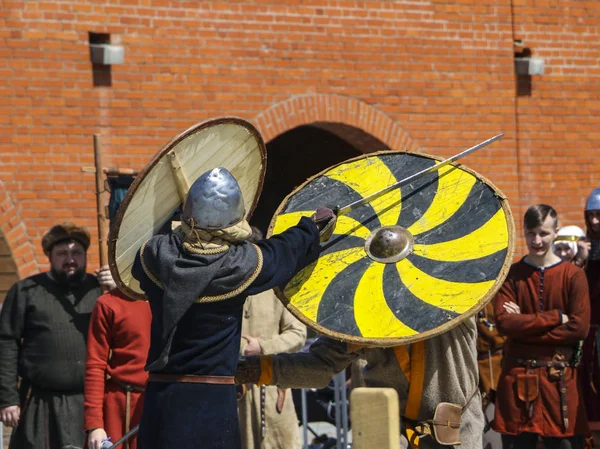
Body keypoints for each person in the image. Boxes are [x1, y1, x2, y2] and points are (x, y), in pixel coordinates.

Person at [129, 167, 336, 449]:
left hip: (161, 398)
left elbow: (151, 252)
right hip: (213, 404)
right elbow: (283, 251)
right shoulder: (238, 266)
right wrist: (311, 226)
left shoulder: (153, 257)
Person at [237, 320, 484, 448]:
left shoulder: (455, 299)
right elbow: (320, 364)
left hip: (456, 433)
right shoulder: (363, 312)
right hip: (389, 436)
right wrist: (254, 369)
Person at [0, 222, 116, 449]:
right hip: (39, 403)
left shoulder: (99, 291)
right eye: (62, 253)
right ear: (50, 256)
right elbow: (6, 343)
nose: (70, 259)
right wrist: (8, 398)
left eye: (77, 253)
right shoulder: (26, 291)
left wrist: (118, 290)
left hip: (89, 405)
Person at [493, 204, 590, 449]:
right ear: (523, 231)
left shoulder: (573, 275)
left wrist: (523, 326)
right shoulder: (511, 274)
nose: (536, 240)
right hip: (517, 381)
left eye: (544, 233)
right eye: (531, 233)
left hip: (558, 382)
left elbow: (579, 329)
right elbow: (504, 323)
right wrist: (556, 317)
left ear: (555, 232)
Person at [237, 227, 306, 449]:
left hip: (273, 385)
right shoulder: (225, 289)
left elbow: (297, 334)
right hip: (236, 392)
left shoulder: (278, 290)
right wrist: (240, 347)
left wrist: (262, 346)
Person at [84, 287, 152, 449]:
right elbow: (95, 365)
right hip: (120, 410)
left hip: (163, 404)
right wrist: (95, 424)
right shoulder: (108, 303)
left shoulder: (178, 300)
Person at [580, 187, 600, 444]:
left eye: (599, 215)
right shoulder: (584, 249)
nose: (594, 221)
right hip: (590, 332)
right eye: (591, 216)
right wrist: (581, 261)